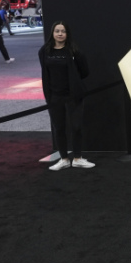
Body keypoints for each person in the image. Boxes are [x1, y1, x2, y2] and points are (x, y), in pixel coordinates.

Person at [40, 21, 94, 170]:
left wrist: (74, 81)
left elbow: (85, 71)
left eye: (63, 31)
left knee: (76, 127)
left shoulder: (74, 51)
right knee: (59, 128)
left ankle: (77, 158)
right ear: (52, 33)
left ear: (67, 33)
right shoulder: (44, 51)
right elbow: (45, 71)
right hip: (54, 96)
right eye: (57, 31)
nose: (60, 34)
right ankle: (63, 159)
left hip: (73, 95)